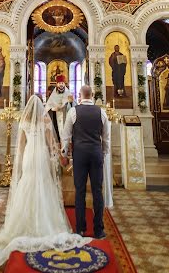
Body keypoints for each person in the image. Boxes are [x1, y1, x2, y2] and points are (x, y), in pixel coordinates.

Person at [0, 95, 89, 270]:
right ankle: (43, 221)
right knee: (43, 185)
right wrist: (60, 158)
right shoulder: (44, 118)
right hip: (40, 156)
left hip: (28, 157)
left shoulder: (25, 120)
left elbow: (21, 146)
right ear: (41, 106)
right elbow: (51, 144)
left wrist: (20, 163)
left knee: (27, 184)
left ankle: (23, 222)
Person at [61, 85, 110, 239]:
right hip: (96, 154)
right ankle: (99, 230)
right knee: (97, 191)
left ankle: (80, 228)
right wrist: (103, 153)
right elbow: (106, 137)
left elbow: (66, 135)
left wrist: (65, 153)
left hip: (80, 154)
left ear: (80, 96)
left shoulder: (73, 111)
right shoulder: (101, 112)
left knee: (80, 191)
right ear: (92, 95)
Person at [45, 74, 75, 141]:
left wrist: (70, 102)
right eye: (59, 83)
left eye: (62, 83)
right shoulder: (53, 94)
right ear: (56, 84)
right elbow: (49, 105)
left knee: (66, 131)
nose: (61, 85)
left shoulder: (68, 93)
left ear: (64, 84)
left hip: (66, 115)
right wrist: (53, 108)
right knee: (57, 131)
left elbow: (74, 106)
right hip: (56, 115)